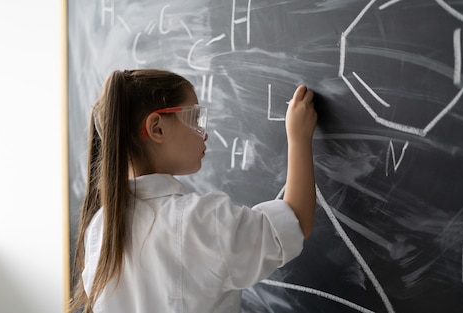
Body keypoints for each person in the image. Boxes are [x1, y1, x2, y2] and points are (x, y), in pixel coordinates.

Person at [69, 69, 317, 313]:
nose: (205, 133)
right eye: (196, 118)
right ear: (157, 129)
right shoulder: (200, 221)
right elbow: (293, 222)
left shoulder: (100, 228)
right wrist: (298, 138)